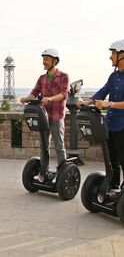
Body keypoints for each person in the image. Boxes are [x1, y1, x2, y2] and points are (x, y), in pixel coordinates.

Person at [77, 39, 124, 190]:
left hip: (123, 125)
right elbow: (103, 91)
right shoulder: (113, 76)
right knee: (111, 158)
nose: (111, 57)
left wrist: (109, 104)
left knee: (123, 159)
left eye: (113, 54)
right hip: (110, 124)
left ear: (122, 55)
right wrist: (88, 102)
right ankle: (113, 185)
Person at [20, 48, 70, 182]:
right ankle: (44, 172)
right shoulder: (42, 78)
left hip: (56, 117)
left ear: (55, 61)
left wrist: (50, 98)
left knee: (59, 146)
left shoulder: (64, 76)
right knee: (44, 146)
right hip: (43, 118)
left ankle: (61, 174)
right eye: (43, 59)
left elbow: (64, 94)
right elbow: (34, 92)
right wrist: (26, 98)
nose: (44, 62)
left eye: (46, 59)